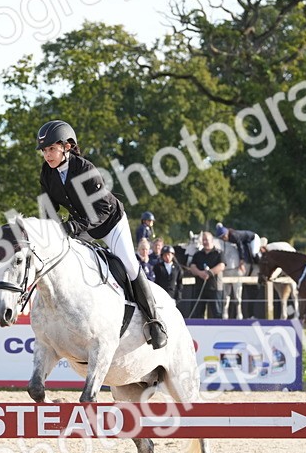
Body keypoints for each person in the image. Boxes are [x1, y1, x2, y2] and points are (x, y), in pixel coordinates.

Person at [36, 120, 167, 347]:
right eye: (44, 151)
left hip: (110, 223)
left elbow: (102, 210)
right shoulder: (47, 173)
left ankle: (154, 321)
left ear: (66, 146)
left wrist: (74, 227)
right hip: (82, 226)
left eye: (51, 149)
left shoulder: (85, 169)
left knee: (129, 265)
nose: (47, 155)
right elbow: (48, 209)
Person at [187, 231, 226, 319]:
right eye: (203, 240)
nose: (205, 242)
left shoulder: (219, 253)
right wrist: (200, 273)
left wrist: (209, 273)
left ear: (212, 240)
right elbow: (192, 266)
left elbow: (222, 266)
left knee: (217, 313)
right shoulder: (198, 254)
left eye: (206, 240)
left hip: (215, 288)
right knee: (197, 313)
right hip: (200, 288)